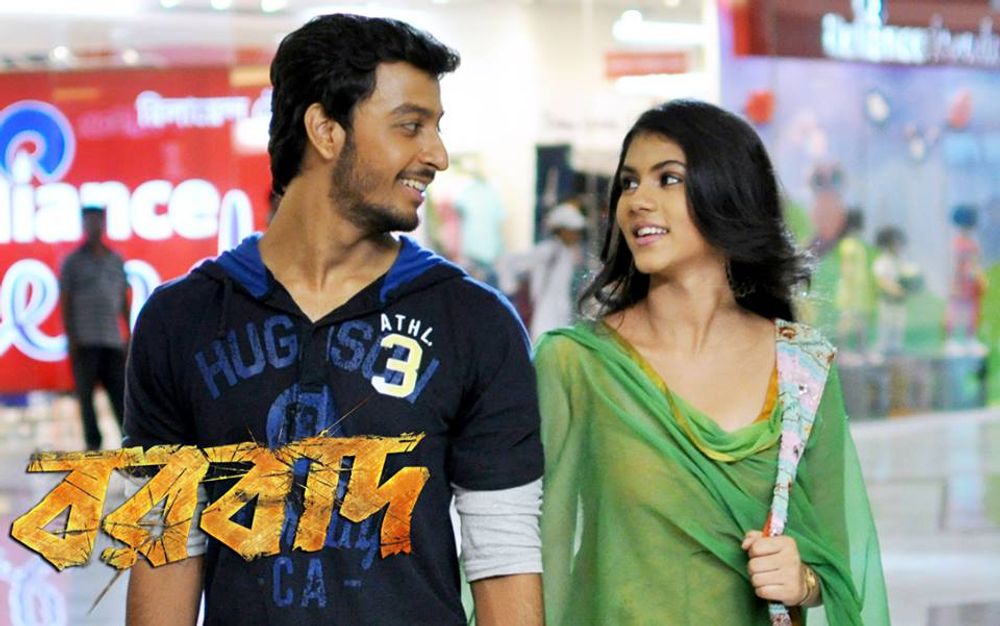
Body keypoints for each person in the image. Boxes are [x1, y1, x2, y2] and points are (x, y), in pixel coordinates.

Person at [123, 14, 543, 626]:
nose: (437, 156)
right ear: (325, 129)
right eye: (411, 127)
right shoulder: (180, 320)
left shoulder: (475, 324)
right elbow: (165, 547)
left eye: (436, 128)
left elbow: (503, 554)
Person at [536, 100, 889, 625]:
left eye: (668, 179)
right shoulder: (575, 364)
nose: (638, 201)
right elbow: (531, 552)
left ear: (727, 193)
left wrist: (802, 580)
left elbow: (836, 559)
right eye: (629, 183)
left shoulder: (801, 368)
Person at [59, 204, 130, 450]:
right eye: (89, 222)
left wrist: (128, 332)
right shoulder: (73, 263)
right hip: (85, 340)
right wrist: (72, 338)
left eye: (97, 221)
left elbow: (123, 298)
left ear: (103, 223)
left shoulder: (115, 260)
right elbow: (66, 301)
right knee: (86, 397)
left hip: (111, 339)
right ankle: (93, 443)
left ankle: (129, 441)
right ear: (83, 225)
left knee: (119, 395)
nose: (93, 226)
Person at [496, 201, 587, 341]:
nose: (577, 236)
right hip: (544, 317)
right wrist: (510, 288)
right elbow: (507, 261)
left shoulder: (567, 253)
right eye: (573, 231)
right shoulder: (548, 250)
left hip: (560, 317)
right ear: (562, 230)